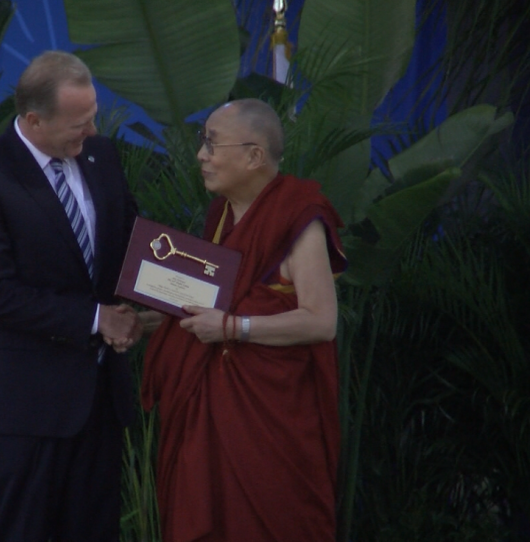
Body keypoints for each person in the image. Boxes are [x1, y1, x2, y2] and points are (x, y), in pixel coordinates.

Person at [0, 50, 142, 542]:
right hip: (26, 409)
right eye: (80, 122)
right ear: (33, 120)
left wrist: (184, 291)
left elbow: (133, 246)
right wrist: (99, 319)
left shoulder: (102, 158)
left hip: (98, 402)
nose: (93, 130)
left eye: (94, 114)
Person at [141, 98, 348, 542]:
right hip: (212, 422)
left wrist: (235, 330)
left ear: (254, 156)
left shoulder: (300, 218)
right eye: (203, 144)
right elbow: (212, 305)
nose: (201, 155)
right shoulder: (220, 216)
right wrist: (143, 322)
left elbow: (321, 321)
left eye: (212, 145)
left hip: (271, 430)